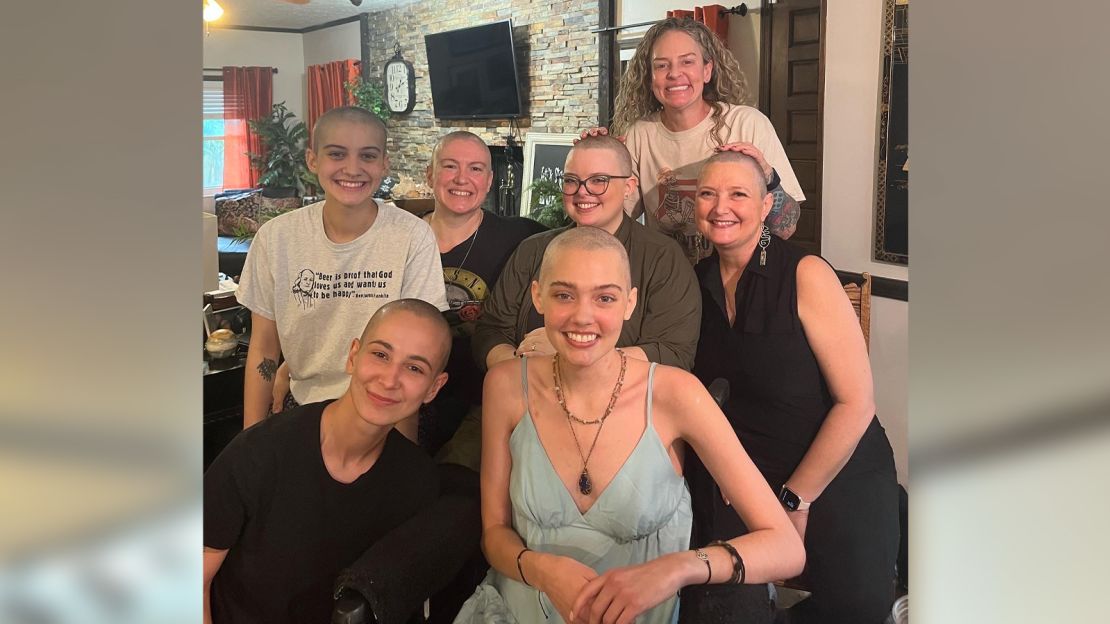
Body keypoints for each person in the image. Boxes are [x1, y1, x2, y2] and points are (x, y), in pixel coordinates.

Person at [454, 227, 804, 624]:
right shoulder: (505, 385)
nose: (583, 316)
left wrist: (677, 569)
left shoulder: (676, 394)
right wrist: (540, 570)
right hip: (517, 608)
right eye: (564, 295)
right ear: (538, 296)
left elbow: (786, 547)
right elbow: (494, 532)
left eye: (604, 297)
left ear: (629, 302)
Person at [688, 152, 899, 623]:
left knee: (859, 608)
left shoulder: (806, 273)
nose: (722, 206)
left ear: (766, 207)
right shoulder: (696, 282)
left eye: (738, 194)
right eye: (708, 194)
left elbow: (856, 403)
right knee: (721, 604)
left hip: (838, 465)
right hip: (748, 475)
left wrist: (797, 500)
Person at [202, 299, 452, 624]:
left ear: (434, 388)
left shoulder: (417, 483)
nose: (390, 379)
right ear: (353, 356)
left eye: (414, 368)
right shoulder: (259, 454)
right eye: (380, 354)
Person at [236, 106, 448, 432]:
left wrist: (404, 457)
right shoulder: (276, 238)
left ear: (383, 165)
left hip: (386, 414)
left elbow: (415, 355)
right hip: (303, 408)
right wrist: (249, 441)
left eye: (367, 156)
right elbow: (264, 347)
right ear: (313, 160)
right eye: (337, 154)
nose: (352, 169)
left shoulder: (412, 236)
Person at [472, 134, 701, 374]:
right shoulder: (533, 250)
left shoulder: (662, 257)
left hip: (626, 405)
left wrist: (567, 353)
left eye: (599, 180)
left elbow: (673, 352)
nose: (582, 192)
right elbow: (490, 331)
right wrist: (525, 371)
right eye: (571, 181)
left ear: (629, 187)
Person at [600, 17, 805, 265]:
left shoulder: (747, 124)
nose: (675, 74)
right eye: (662, 65)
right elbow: (610, 224)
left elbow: (787, 228)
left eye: (687, 61)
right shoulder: (639, 135)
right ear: (650, 76)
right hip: (670, 282)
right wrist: (594, 165)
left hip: (742, 280)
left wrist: (768, 175)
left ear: (707, 70)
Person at [419, 130, 546, 460]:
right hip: (413, 398)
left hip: (487, 402)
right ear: (430, 174)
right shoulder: (403, 237)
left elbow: (589, 243)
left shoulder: (522, 237)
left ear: (489, 180)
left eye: (475, 169)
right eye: (450, 166)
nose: (462, 178)